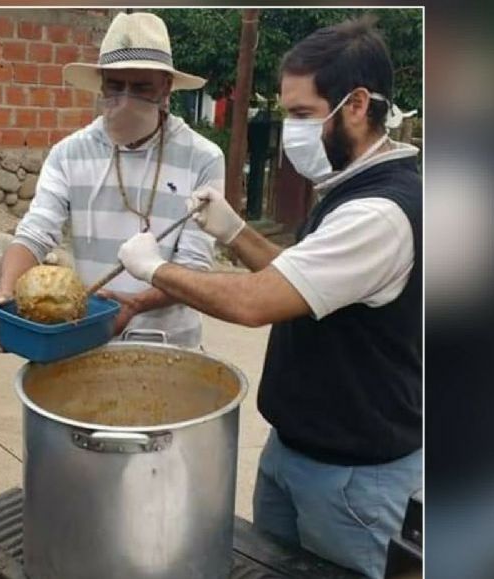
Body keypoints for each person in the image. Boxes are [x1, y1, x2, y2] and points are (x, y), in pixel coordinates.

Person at [117, 17, 421, 578]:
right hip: (296, 451)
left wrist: (154, 268)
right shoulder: (349, 188)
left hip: (353, 479)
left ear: (355, 105)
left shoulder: (380, 212)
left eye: (303, 115)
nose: (292, 131)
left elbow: (255, 304)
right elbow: (303, 285)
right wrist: (235, 232)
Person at [0, 11, 222, 350]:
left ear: (166, 87)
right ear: (100, 83)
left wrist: (137, 302)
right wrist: (4, 292)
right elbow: (35, 233)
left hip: (171, 345)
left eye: (141, 87)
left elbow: (194, 266)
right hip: (86, 339)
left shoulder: (202, 157)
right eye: (114, 85)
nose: (125, 99)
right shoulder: (69, 153)